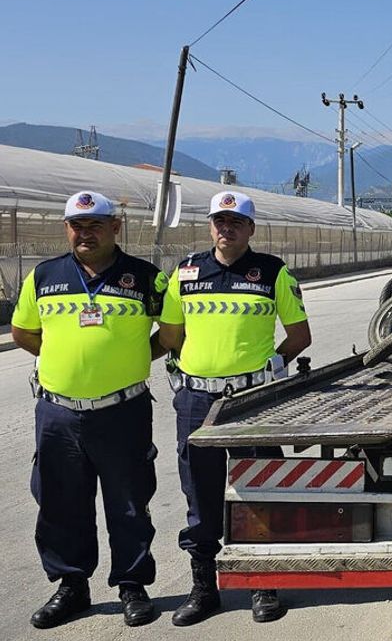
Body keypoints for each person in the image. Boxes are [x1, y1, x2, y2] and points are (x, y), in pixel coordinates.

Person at [12, 191, 166, 629]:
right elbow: (23, 332)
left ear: (115, 227)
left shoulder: (146, 277)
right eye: (76, 226)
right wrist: (63, 361)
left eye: (95, 225)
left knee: (129, 502)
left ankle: (132, 585)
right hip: (58, 414)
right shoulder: (44, 276)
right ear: (67, 229)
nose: (85, 234)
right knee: (60, 502)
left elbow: (173, 332)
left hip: (122, 411)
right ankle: (71, 585)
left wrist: (132, 358)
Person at [158, 191, 311, 626]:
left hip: (252, 400)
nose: (227, 228)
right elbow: (170, 336)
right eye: (219, 221)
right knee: (199, 494)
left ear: (251, 229)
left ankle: (263, 584)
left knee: (258, 490)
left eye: (236, 222)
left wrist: (269, 369)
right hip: (196, 400)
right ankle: (204, 588)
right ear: (210, 225)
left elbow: (300, 335)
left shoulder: (273, 272)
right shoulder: (186, 272)